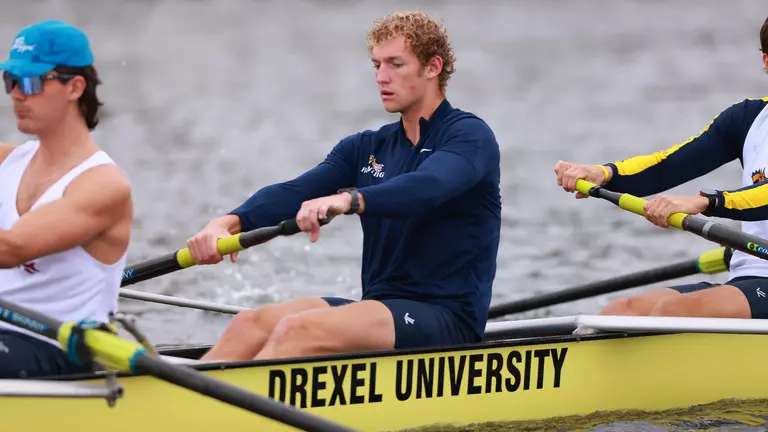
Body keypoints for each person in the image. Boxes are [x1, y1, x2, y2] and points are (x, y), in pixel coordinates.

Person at [187, 11, 501, 361]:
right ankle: (180, 411)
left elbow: (430, 185)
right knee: (250, 323)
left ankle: (230, 411)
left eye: (396, 64)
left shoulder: (469, 136)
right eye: (376, 65)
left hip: (446, 319)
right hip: (380, 308)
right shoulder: (365, 148)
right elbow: (295, 192)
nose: (382, 77)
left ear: (433, 67)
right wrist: (227, 224)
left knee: (296, 331)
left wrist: (350, 200)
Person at [554, 17, 768, 321]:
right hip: (750, 278)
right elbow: (668, 165)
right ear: (766, 60)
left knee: (671, 311)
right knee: (618, 313)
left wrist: (708, 201)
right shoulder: (748, 120)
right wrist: (604, 173)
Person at [0, 20, 132, 378]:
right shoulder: (6, 161)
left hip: (61, 349)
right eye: (10, 81)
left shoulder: (104, 185)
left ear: (75, 87)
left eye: (30, 82)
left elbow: (10, 249)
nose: (16, 94)